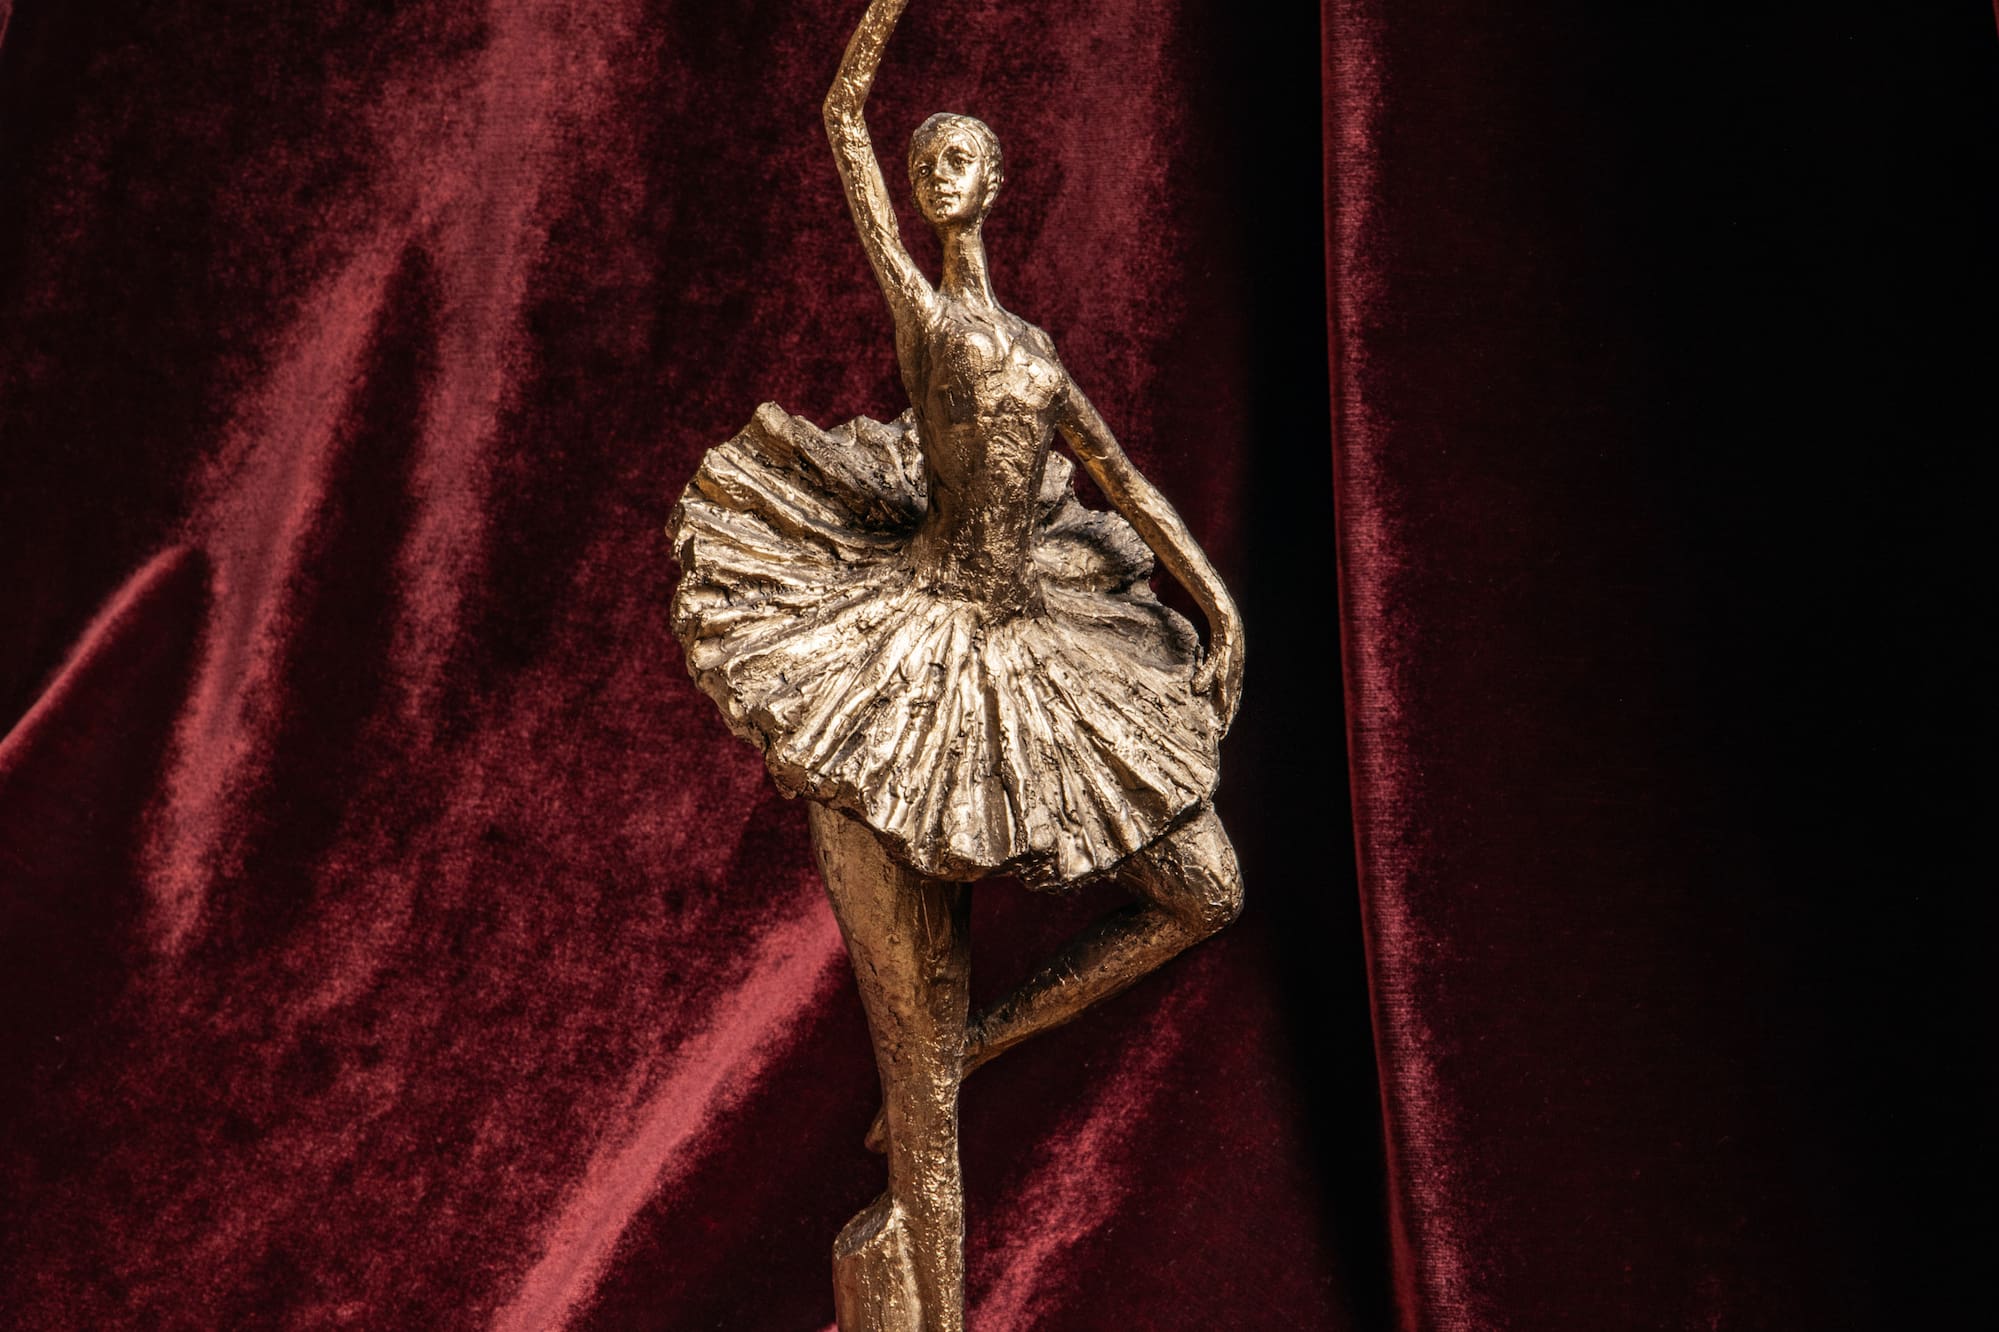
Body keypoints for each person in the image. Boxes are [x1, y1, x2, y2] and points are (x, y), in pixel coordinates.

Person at [667, 3, 1245, 1326]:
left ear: (994, 182)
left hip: (1036, 649)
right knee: (912, 1060)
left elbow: (1126, 483)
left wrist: (1222, 615)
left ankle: (981, 1045)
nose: (939, 175)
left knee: (1205, 889)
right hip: (906, 657)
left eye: (960, 160)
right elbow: (839, 126)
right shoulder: (927, 322)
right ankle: (917, 1279)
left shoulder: (1034, 355)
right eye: (927, 164)